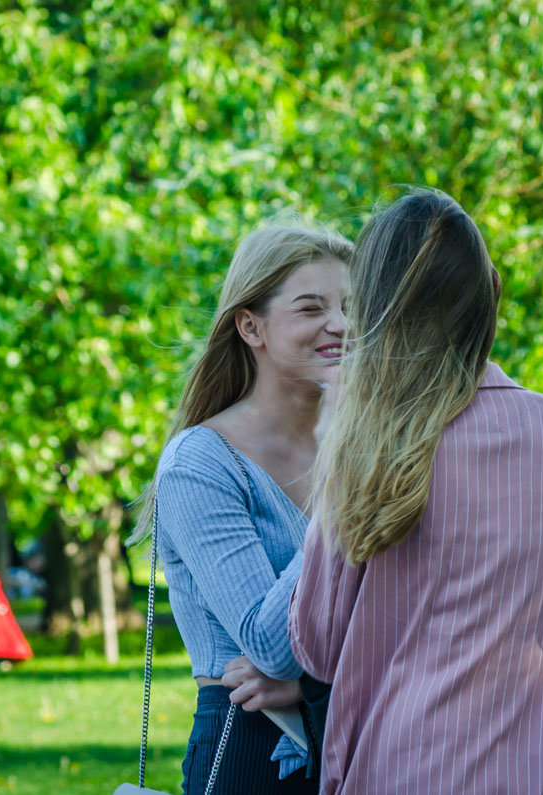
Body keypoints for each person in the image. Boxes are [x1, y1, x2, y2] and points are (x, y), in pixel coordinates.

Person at [288, 190, 543, 794]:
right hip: (537, 773)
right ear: (489, 295)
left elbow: (317, 646)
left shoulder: (364, 448)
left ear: (377, 310)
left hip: (389, 772)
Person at [136, 223, 352, 794]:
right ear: (250, 325)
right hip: (250, 752)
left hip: (360, 741)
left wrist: (314, 689)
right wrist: (344, 485)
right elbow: (271, 645)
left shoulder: (362, 450)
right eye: (312, 308)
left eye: (352, 306)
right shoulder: (201, 463)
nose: (341, 324)